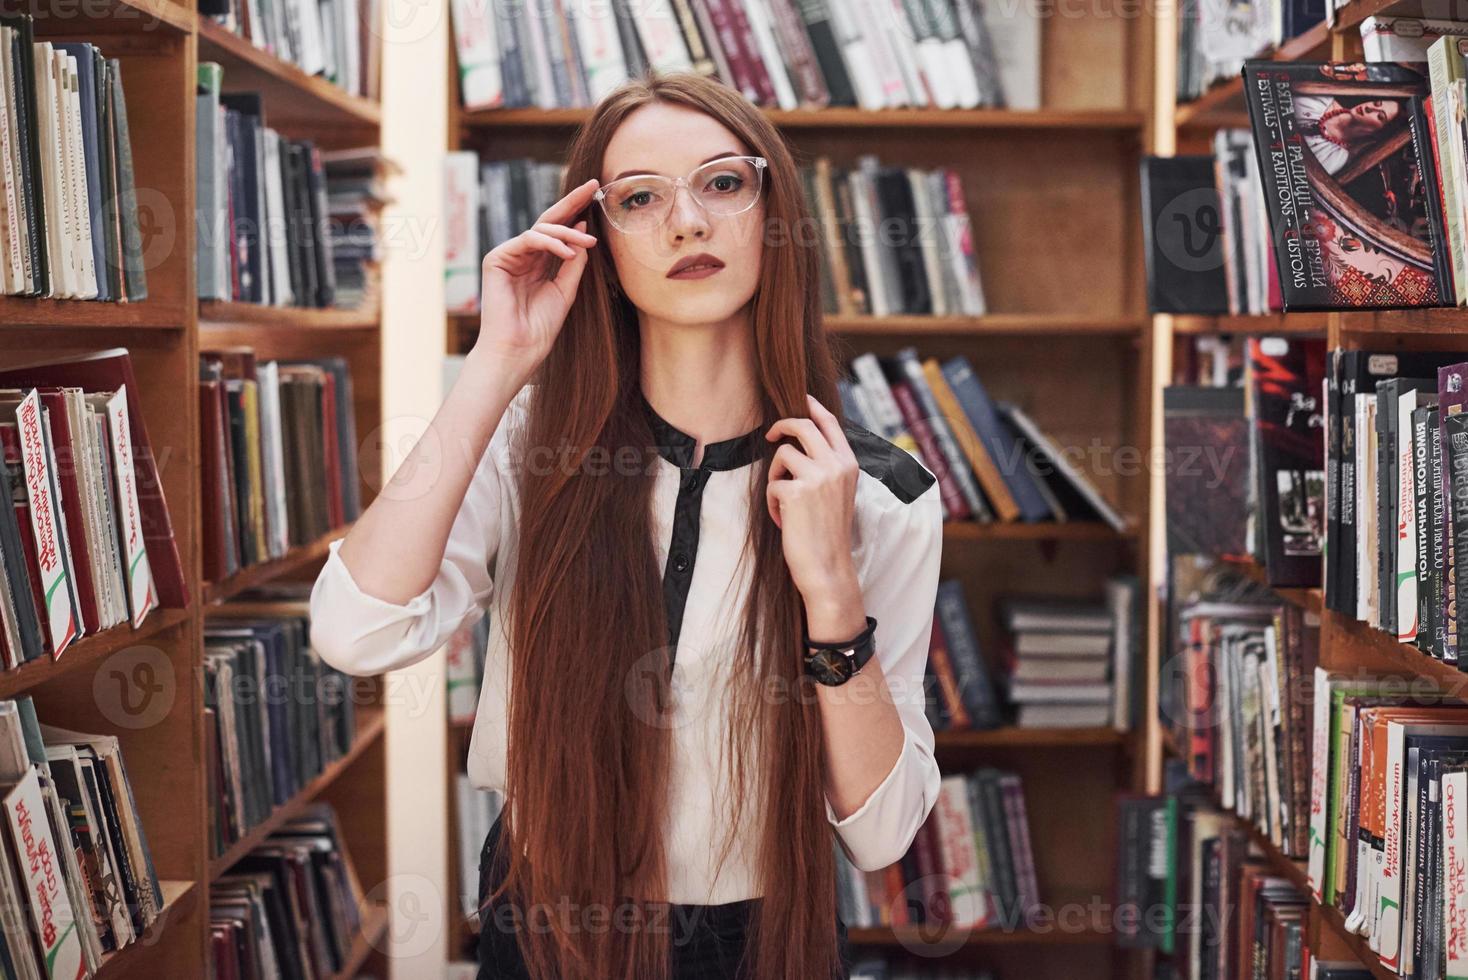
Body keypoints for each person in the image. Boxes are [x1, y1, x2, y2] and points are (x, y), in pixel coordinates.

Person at [307, 71, 944, 980]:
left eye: (723, 183)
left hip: (766, 936)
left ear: (775, 213)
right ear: (596, 242)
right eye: (639, 199)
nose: (686, 222)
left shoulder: (878, 489)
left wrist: (832, 593)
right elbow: (352, 630)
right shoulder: (531, 442)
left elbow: (881, 835)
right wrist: (499, 362)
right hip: (545, 919)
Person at [1293, 94, 1401, 175]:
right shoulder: (1321, 99)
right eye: (1376, 103)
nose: (1369, 108)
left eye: (1380, 116)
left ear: (1379, 132)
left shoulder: (1337, 159)